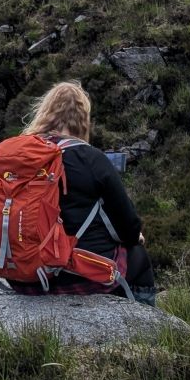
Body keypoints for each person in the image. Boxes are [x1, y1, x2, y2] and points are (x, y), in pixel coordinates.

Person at [15, 80, 158, 304]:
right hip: (74, 275)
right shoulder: (91, 158)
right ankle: (145, 328)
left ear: (44, 113)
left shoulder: (19, 155)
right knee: (138, 256)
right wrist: (134, 237)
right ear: (83, 119)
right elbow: (129, 227)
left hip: (21, 273)